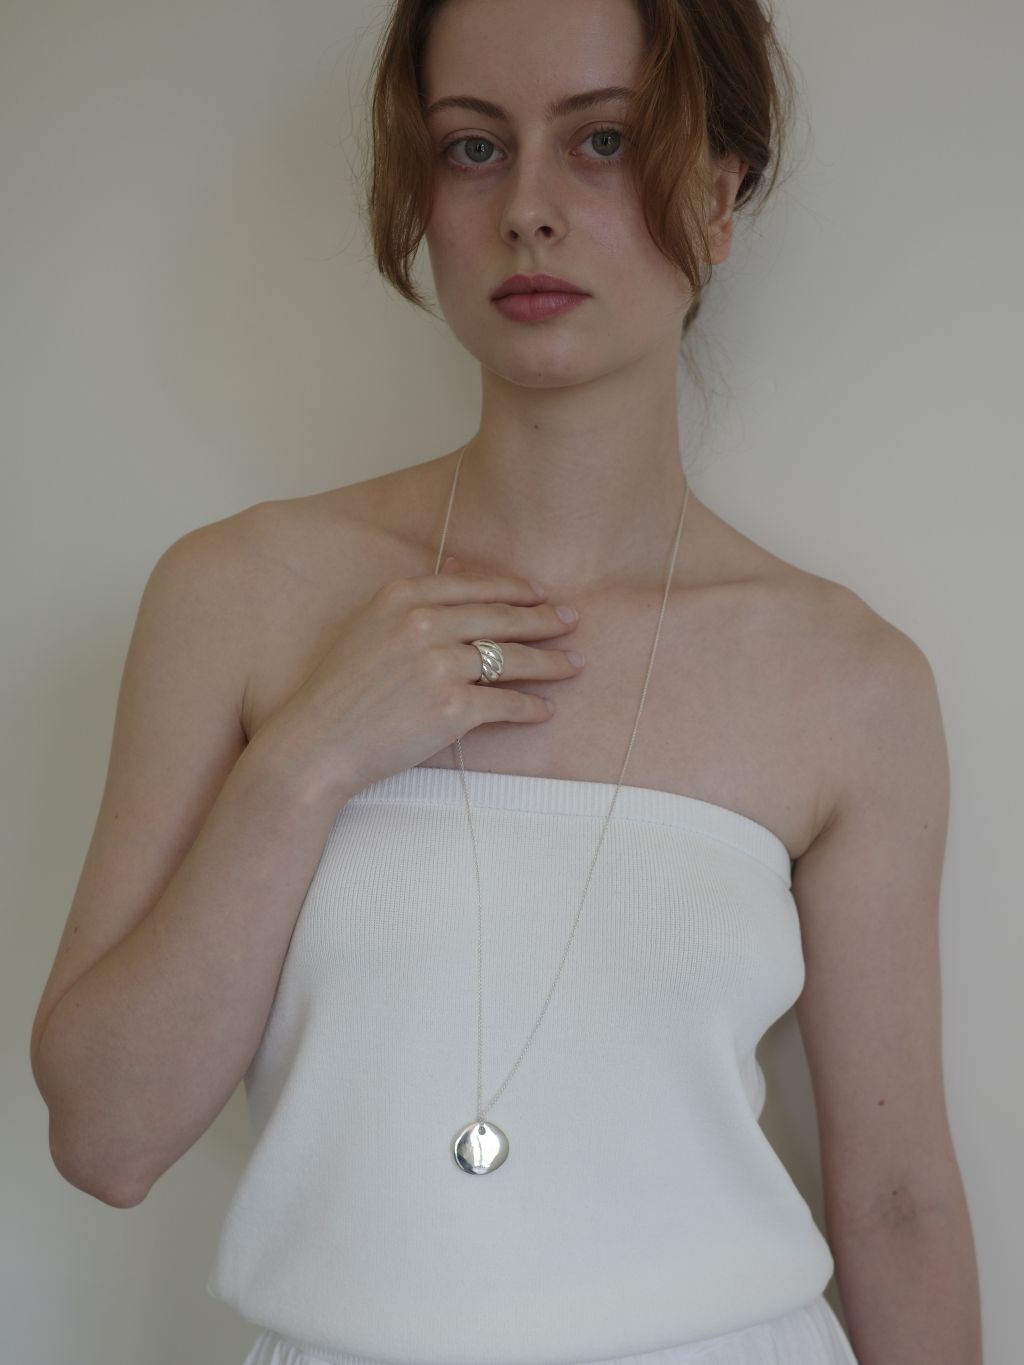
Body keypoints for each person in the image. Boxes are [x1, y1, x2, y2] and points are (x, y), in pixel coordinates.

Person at [30, 1, 982, 1363]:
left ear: (717, 200)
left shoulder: (849, 682)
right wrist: (309, 760)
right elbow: (105, 1139)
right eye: (472, 147)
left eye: (604, 140)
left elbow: (898, 1204)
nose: (529, 208)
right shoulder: (238, 597)